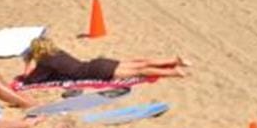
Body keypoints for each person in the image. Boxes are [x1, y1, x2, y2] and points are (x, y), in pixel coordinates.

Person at [18, 37, 188, 84]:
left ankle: (173, 72)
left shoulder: (44, 62)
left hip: (96, 71)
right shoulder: (57, 51)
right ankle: (173, 59)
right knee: (139, 63)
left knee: (139, 71)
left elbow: (30, 79)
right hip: (97, 63)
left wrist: (28, 63)